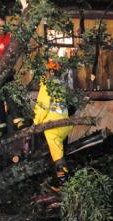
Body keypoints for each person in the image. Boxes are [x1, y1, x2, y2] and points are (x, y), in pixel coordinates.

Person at [34, 60, 72, 191]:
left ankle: (64, 185)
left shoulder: (46, 85)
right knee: (58, 153)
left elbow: (42, 106)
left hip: (53, 126)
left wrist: (35, 123)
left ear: (48, 71)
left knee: (58, 157)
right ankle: (59, 180)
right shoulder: (61, 84)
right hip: (65, 124)